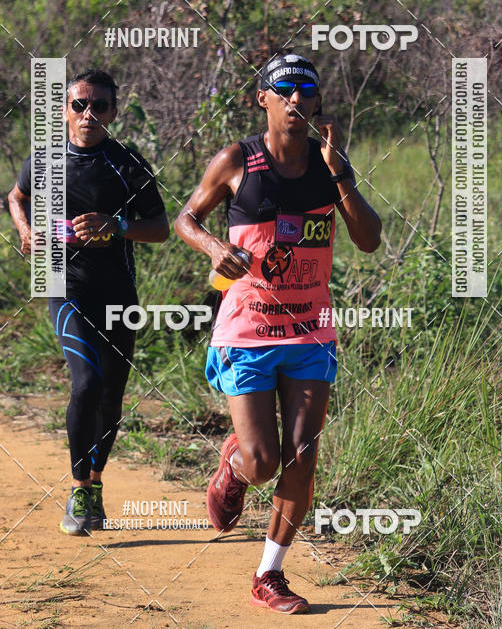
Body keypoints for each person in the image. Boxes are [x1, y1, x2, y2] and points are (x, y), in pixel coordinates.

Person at [174, 51, 381, 613]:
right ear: (261, 98)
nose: (296, 100)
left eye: (306, 91)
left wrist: (340, 174)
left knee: (304, 454)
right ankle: (235, 465)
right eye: (283, 90)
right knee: (264, 462)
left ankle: (270, 574)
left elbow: (368, 238)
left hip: (311, 332)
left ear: (316, 102)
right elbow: (185, 219)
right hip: (247, 329)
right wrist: (217, 247)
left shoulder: (327, 162)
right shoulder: (238, 160)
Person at [8, 69, 169, 535]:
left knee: (111, 396)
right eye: (80, 104)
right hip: (64, 283)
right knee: (87, 383)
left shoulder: (127, 164)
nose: (88, 114)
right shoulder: (44, 160)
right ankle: (78, 489)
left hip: (118, 292)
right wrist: (25, 231)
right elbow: (16, 197)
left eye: (100, 106)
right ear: (65, 111)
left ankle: (95, 485)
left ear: (114, 113)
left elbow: (159, 228)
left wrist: (116, 227)